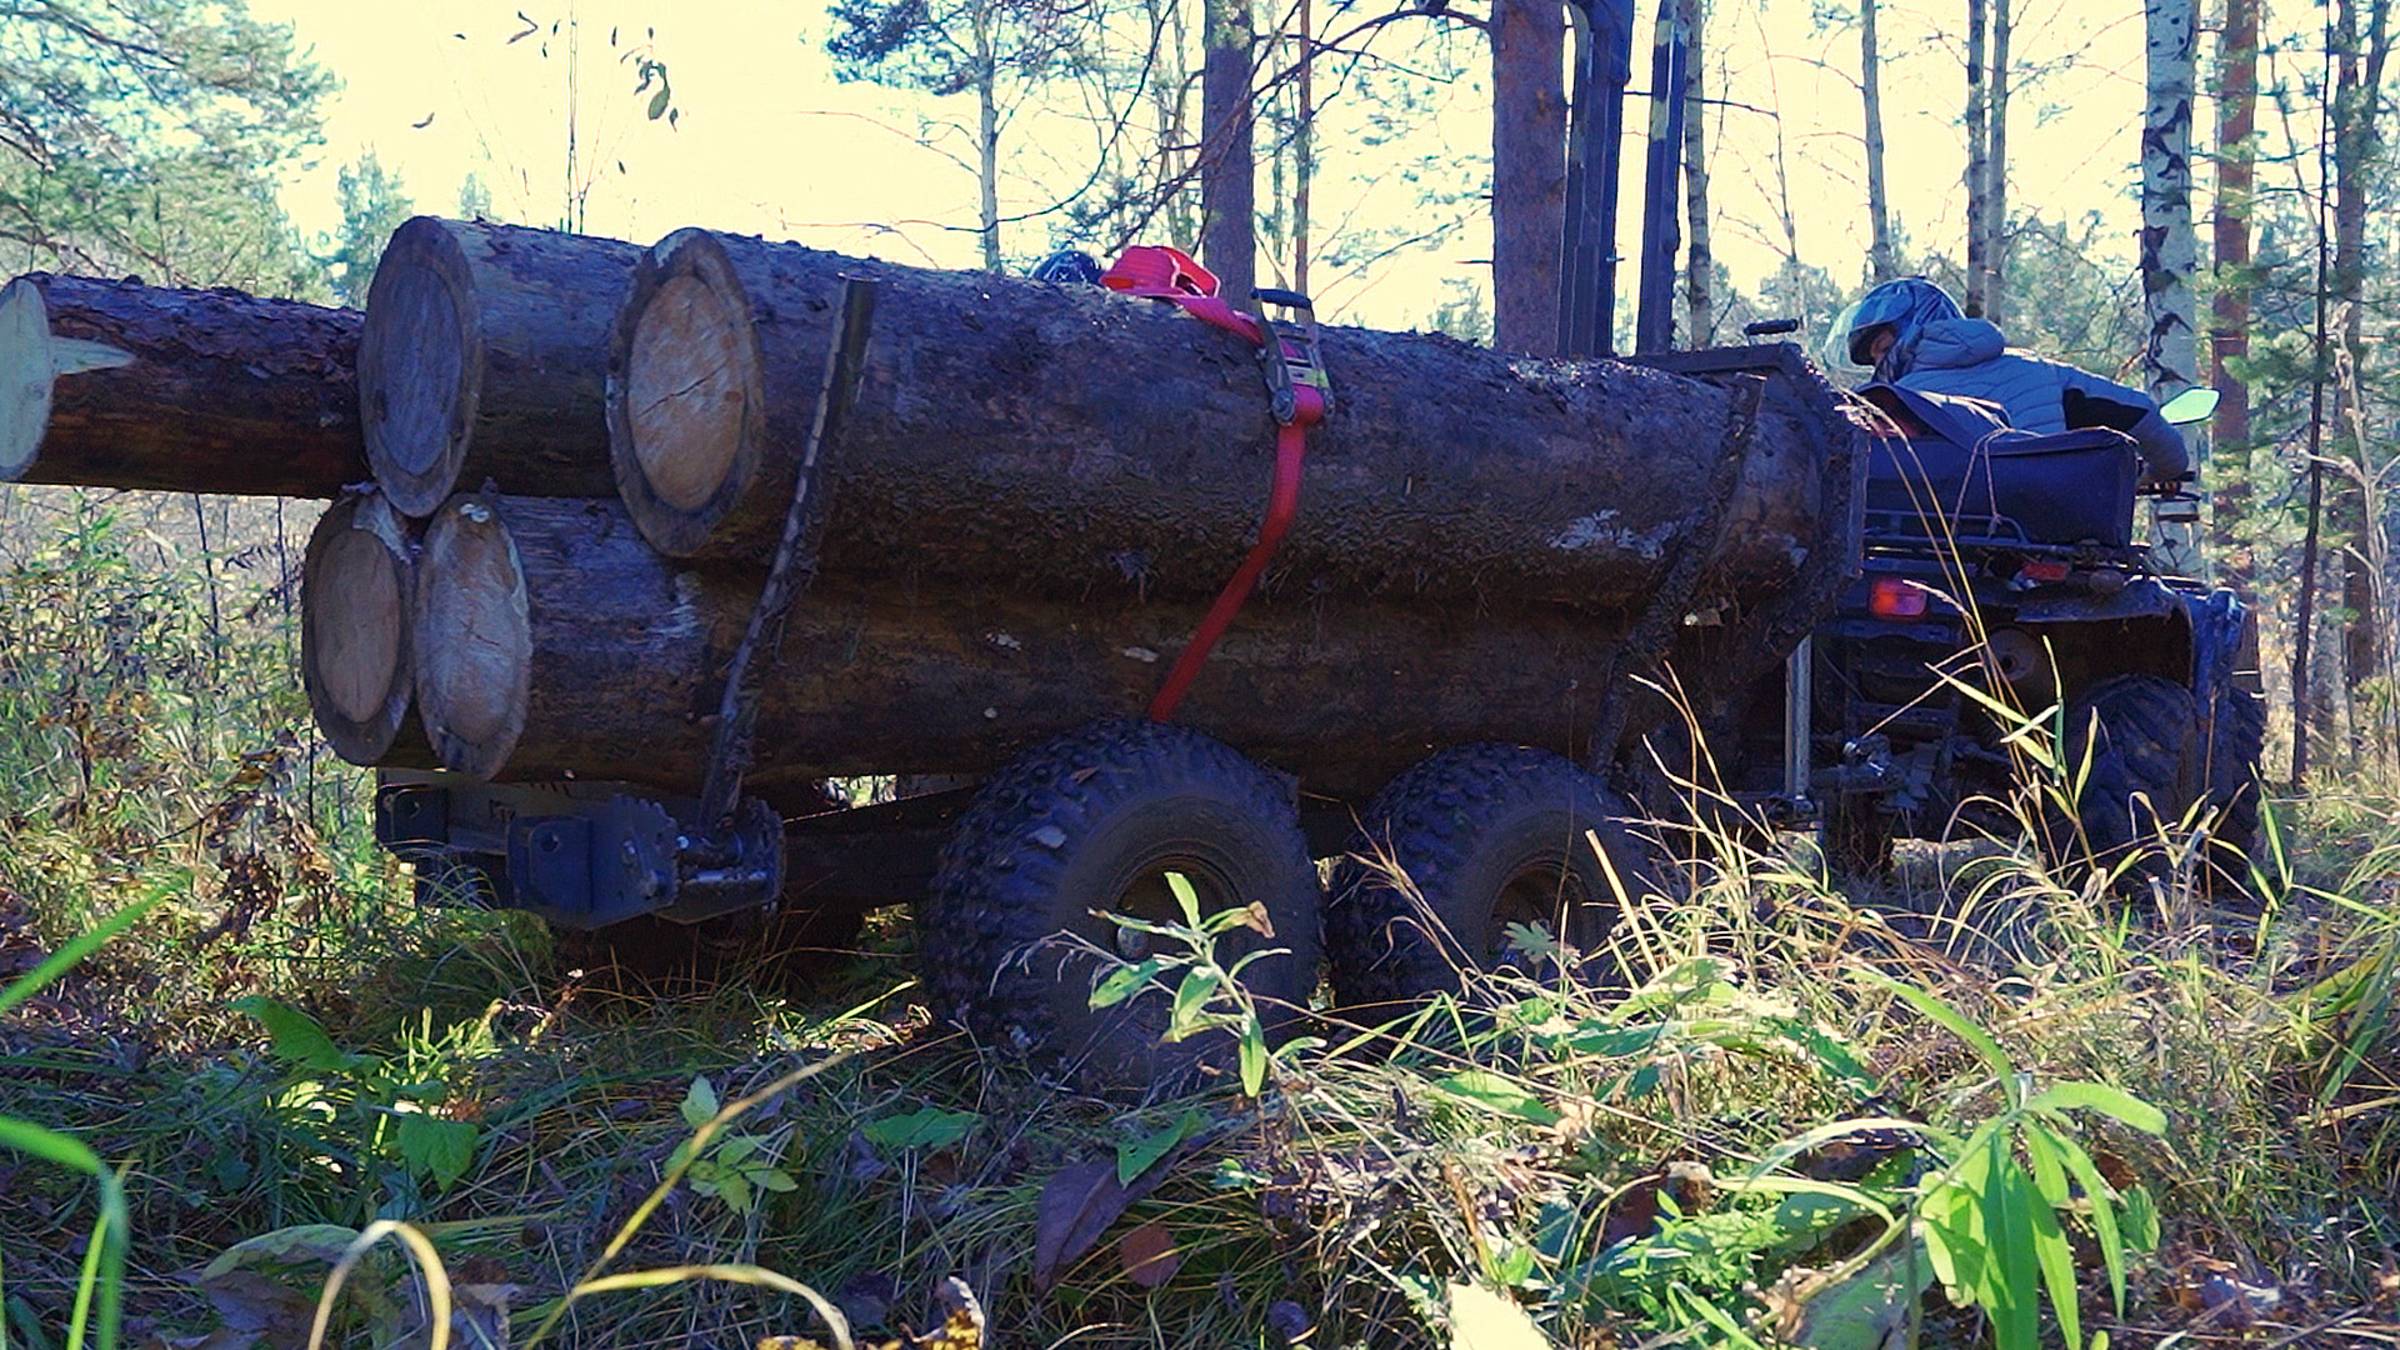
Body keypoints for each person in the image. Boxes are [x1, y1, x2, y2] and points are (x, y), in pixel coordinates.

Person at [1840, 277, 2190, 484]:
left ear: (1913, 331)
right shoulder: (2040, 371)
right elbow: (2140, 412)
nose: (1880, 364)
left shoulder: (1894, 404)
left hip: (1924, 546)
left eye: (1883, 350)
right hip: (2040, 538)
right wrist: (2156, 473)